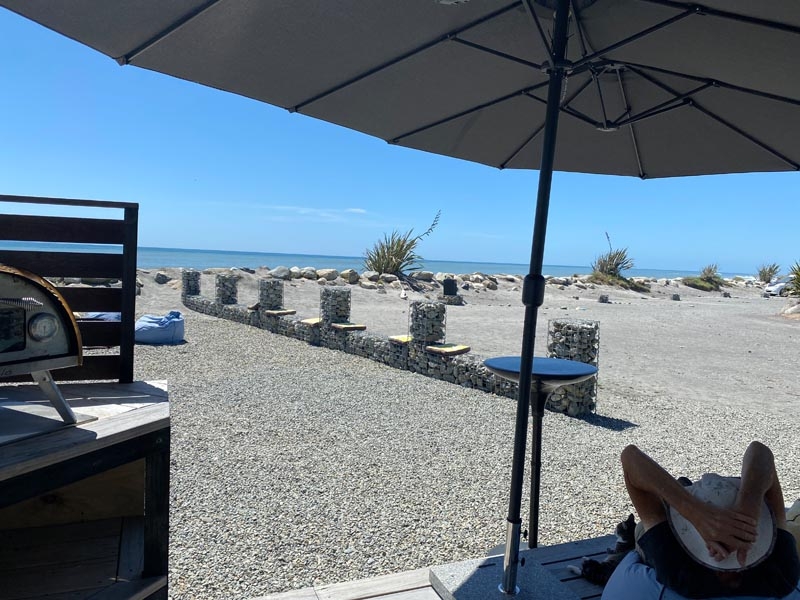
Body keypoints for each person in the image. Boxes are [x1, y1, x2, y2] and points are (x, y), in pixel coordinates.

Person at [617, 442, 799, 598]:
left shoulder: (678, 569)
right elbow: (760, 451)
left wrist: (696, 513)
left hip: (664, 547)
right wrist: (748, 507)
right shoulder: (780, 572)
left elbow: (630, 457)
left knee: (640, 530)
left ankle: (685, 489)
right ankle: (687, 488)